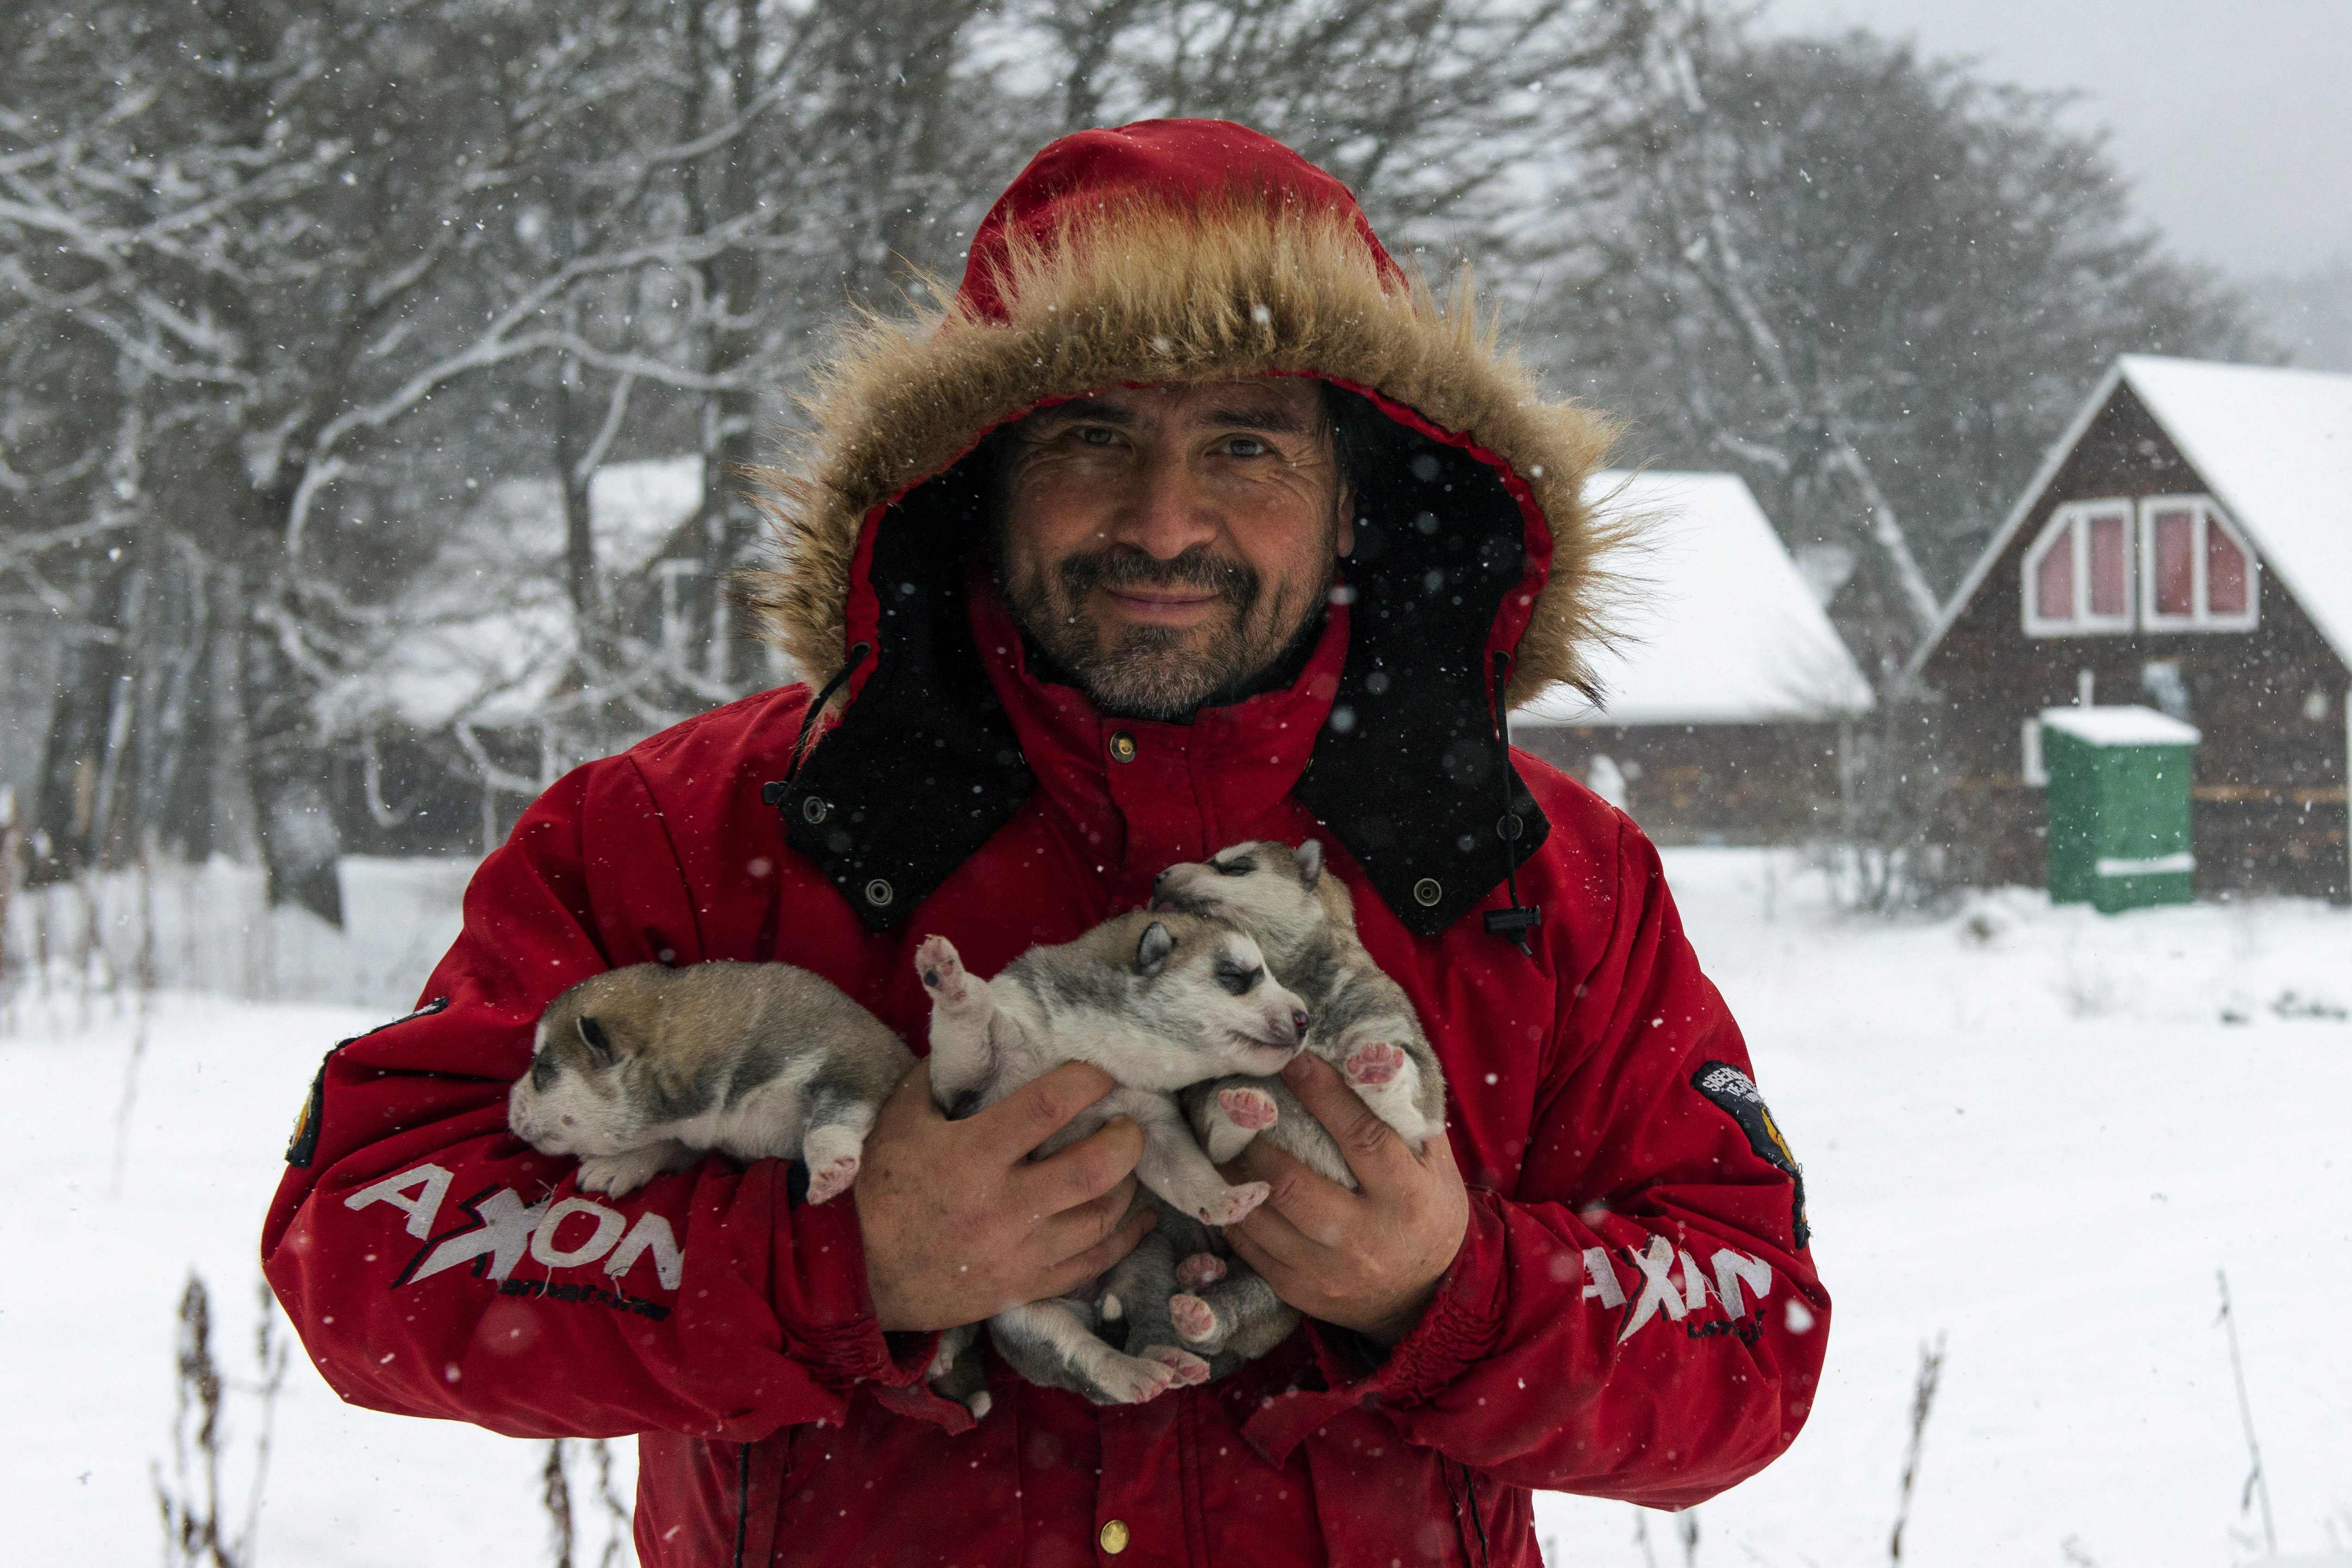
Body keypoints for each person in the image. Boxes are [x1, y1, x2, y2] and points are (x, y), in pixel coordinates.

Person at [264, 119, 1828, 1567]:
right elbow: (364, 1246)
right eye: (1090, 433)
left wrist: (1452, 1292)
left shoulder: (1538, 877)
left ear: (1356, 496)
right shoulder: (683, 833)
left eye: (1245, 445)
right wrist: (833, 1266)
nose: (1163, 522)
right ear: (973, 474)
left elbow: (1752, 1341)